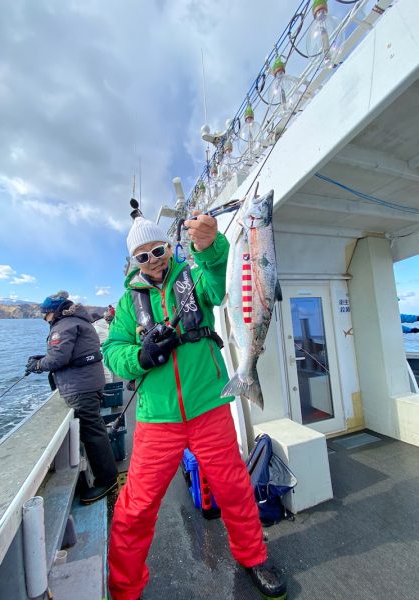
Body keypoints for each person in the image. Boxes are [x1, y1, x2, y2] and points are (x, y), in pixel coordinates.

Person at [103, 215, 287, 600]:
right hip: (157, 419)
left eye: (158, 250)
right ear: (134, 263)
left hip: (209, 407)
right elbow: (113, 353)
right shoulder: (126, 304)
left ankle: (253, 557)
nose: (153, 260)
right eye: (143, 256)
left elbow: (221, 282)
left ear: (169, 248)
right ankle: (123, 589)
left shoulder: (193, 278)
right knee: (134, 509)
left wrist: (210, 247)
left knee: (235, 490)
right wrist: (143, 355)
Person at [25, 291, 118, 504]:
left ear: (53, 312)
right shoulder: (77, 321)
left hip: (80, 387)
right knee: (94, 429)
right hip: (88, 383)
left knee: (92, 432)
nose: (44, 319)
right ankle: (106, 475)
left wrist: (38, 365)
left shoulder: (63, 326)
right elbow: (69, 353)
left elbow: (58, 358)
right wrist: (44, 358)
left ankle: (108, 479)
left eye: (45, 315)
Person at [93, 306, 116, 383]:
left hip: (101, 349)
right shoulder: (105, 325)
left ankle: (109, 386)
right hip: (108, 348)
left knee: (105, 370)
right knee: (108, 369)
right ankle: (110, 383)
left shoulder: (95, 328)